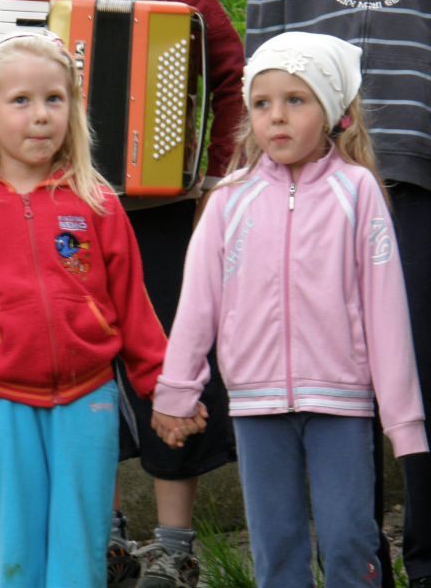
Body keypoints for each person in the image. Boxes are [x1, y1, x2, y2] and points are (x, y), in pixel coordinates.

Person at [152, 32, 429, 588]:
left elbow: (386, 311)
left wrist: (403, 420)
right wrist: (176, 391)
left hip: (341, 402)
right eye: (262, 103)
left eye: (295, 100)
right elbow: (198, 303)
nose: (276, 116)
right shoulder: (229, 199)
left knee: (349, 541)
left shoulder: (358, 191)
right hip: (256, 405)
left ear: (333, 112)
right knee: (276, 549)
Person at [8, 0, 244, 586]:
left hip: (163, 211)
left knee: (172, 360)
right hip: (64, 207)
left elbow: (235, 81)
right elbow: (1, 85)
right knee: (78, 361)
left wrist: (216, 176)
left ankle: (175, 547)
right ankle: (103, 537)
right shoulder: (38, 1)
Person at [0, 31, 167, 587]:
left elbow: (133, 305)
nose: (40, 115)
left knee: (81, 549)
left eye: (54, 99)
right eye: (21, 100)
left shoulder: (97, 203)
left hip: (88, 400)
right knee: (15, 551)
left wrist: (163, 386)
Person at [245, 0, 431, 586]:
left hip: (420, 165)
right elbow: (263, 55)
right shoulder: (235, 202)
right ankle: (357, 566)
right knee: (339, 374)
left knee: (419, 365)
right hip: (303, 174)